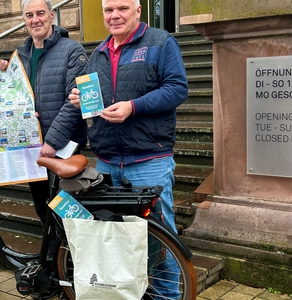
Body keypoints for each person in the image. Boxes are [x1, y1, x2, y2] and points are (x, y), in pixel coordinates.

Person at [45, 0, 188, 298]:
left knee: (160, 238)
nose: (115, 15)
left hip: (149, 159)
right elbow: (89, 103)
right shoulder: (96, 54)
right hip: (108, 162)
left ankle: (170, 296)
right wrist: (78, 101)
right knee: (115, 238)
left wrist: (133, 107)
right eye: (109, 10)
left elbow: (177, 88)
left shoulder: (161, 42)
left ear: (138, 9)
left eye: (122, 7)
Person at [0, 0, 88, 235]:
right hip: (32, 148)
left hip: (61, 149)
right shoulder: (20, 55)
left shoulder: (72, 50)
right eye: (29, 15)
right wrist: (2, 71)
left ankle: (71, 265)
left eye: (40, 13)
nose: (35, 19)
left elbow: (76, 102)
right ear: (24, 20)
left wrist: (52, 142)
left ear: (51, 16)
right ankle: (52, 264)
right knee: (43, 210)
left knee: (67, 211)